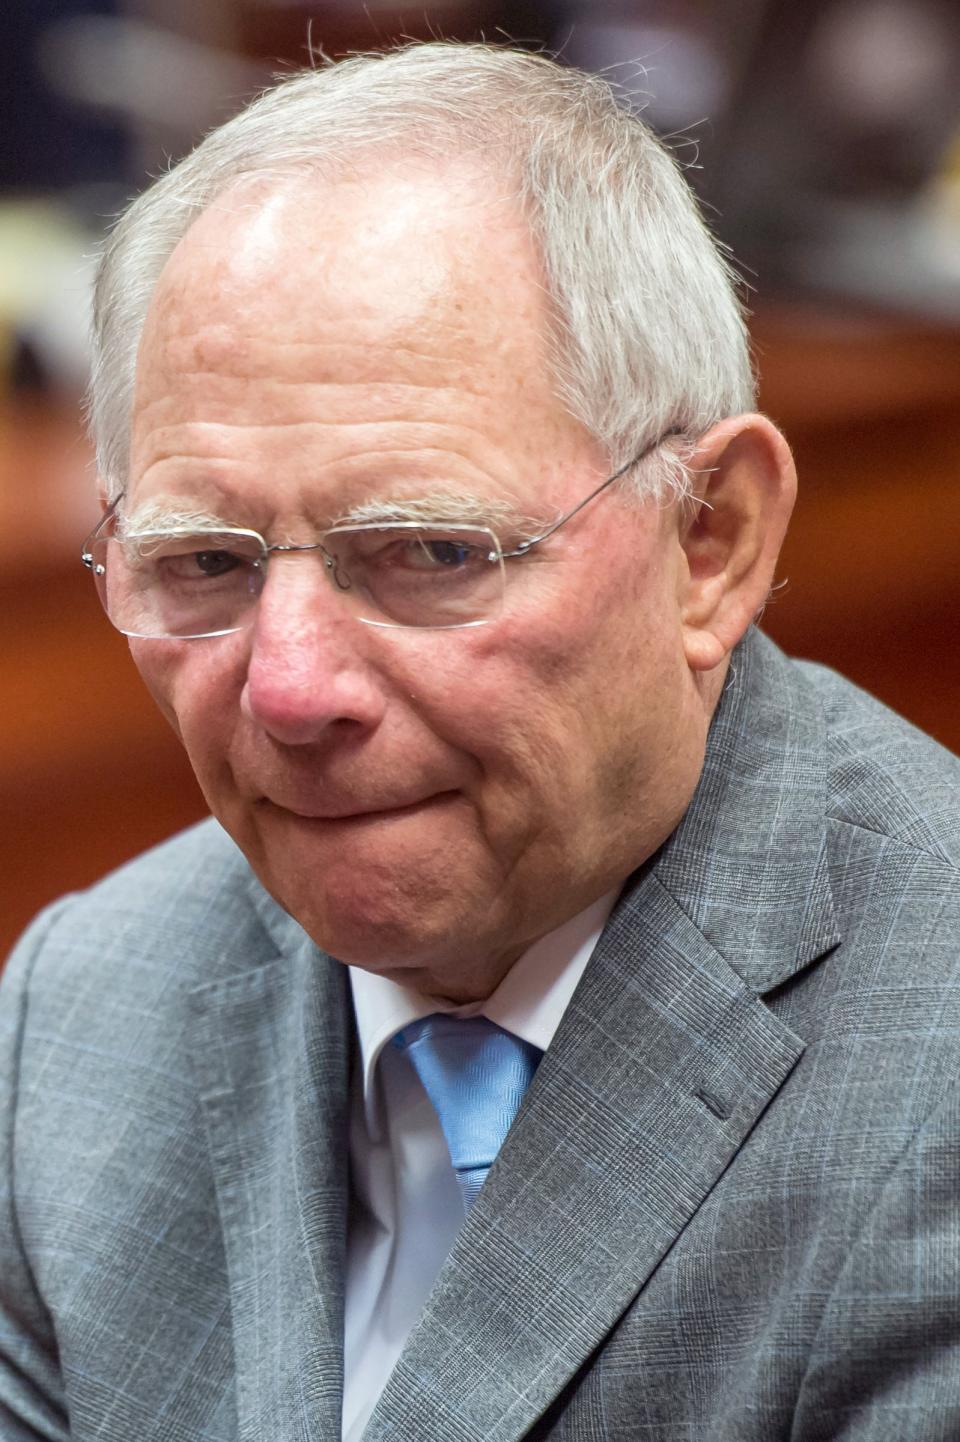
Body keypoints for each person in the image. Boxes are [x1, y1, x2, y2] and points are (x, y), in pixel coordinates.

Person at [2, 41, 959, 1442]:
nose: (289, 686)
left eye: (431, 551)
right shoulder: (79, 1017)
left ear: (713, 540)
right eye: (204, 563)